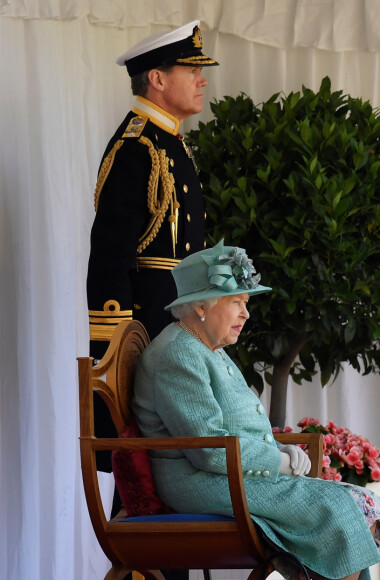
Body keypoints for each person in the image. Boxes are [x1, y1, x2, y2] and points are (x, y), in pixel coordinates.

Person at [132, 240, 380, 580]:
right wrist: (278, 462)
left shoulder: (205, 346)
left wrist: (279, 447)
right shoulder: (178, 353)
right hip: (200, 482)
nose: (246, 313)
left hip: (228, 475)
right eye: (237, 302)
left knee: (351, 502)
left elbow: (239, 428)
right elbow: (209, 451)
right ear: (201, 306)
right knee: (338, 509)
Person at [86, 20, 217, 580]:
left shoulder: (171, 143)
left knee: (169, 470)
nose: (202, 81)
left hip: (179, 329)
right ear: (157, 79)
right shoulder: (137, 147)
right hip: (145, 333)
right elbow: (110, 260)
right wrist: (116, 355)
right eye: (192, 71)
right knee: (145, 475)